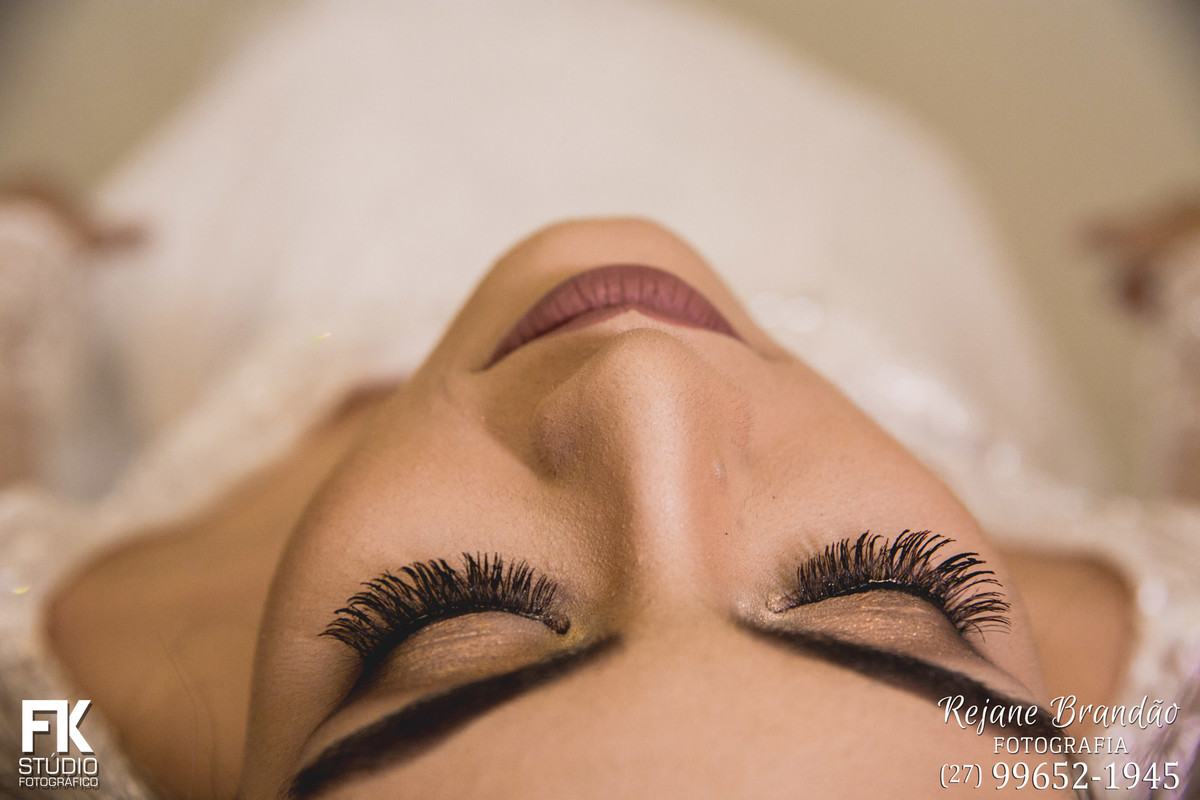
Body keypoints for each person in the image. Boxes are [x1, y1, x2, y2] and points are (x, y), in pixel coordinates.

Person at [1, 2, 1196, 798]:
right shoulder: (1160, 674)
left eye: (447, 619)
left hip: (342, 189)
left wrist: (25, 264)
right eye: (881, 590)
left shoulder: (64, 685)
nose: (643, 373)